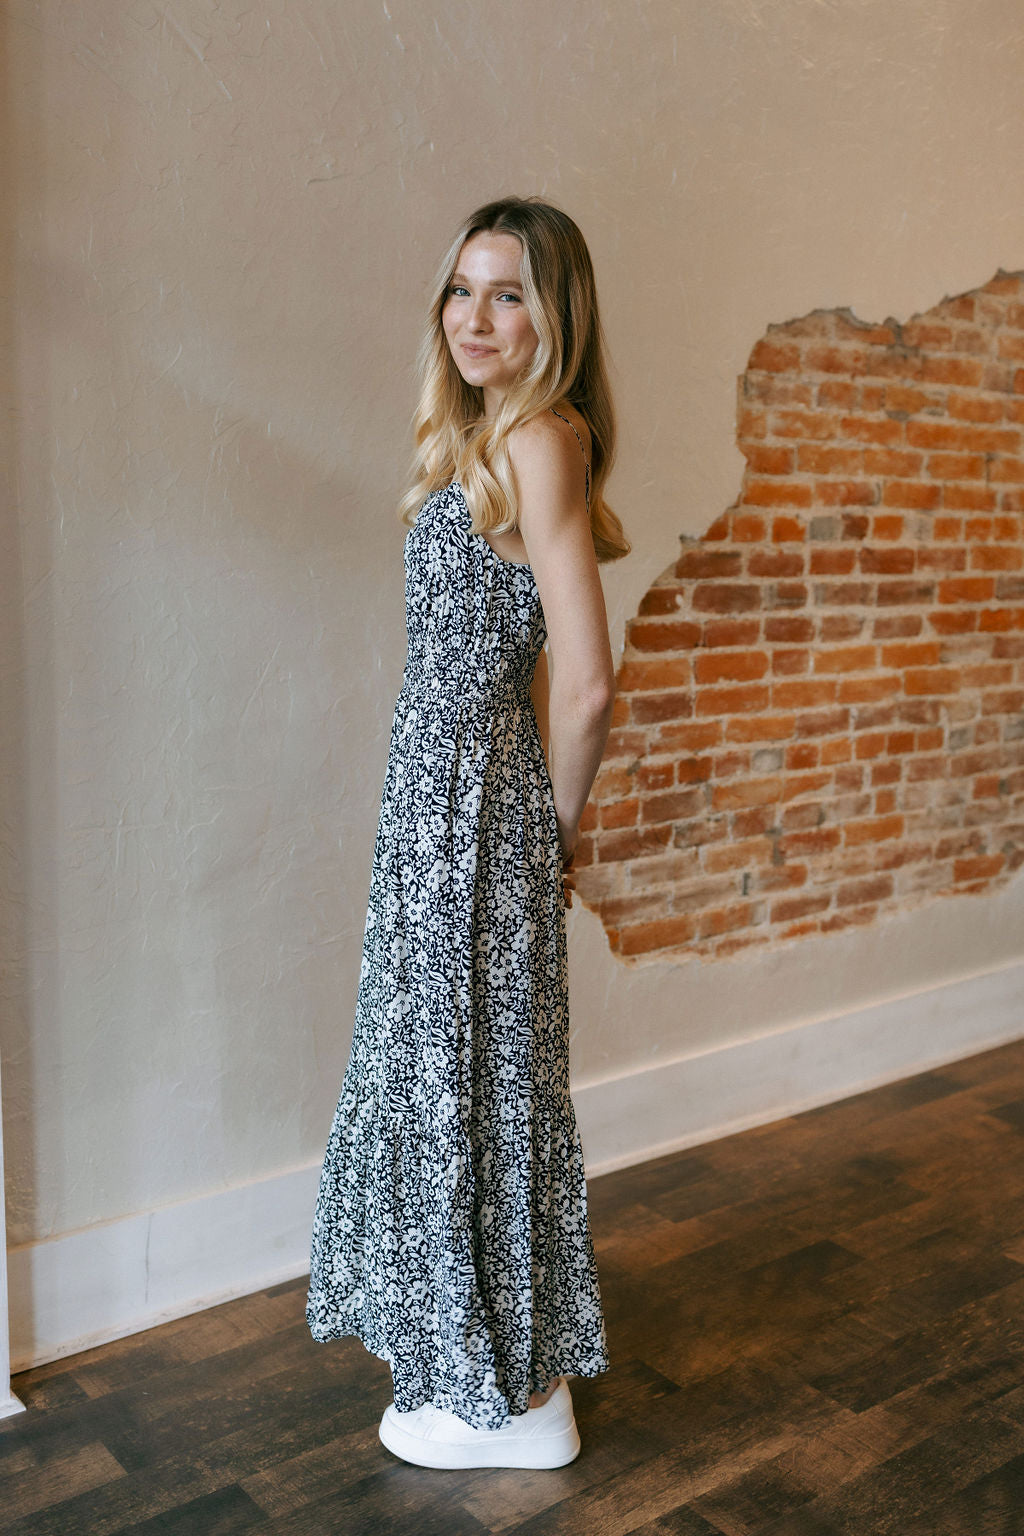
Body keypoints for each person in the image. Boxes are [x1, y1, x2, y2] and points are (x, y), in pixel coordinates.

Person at [305, 194, 631, 1471]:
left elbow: (587, 681)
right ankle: (483, 1370)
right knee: (454, 1078)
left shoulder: (541, 437)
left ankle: (511, 1395)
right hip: (441, 807)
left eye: (508, 295)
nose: (475, 317)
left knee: (469, 1086)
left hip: (473, 821)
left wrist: (549, 841)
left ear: (554, 318)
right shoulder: (484, 438)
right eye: (461, 289)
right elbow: (526, 658)